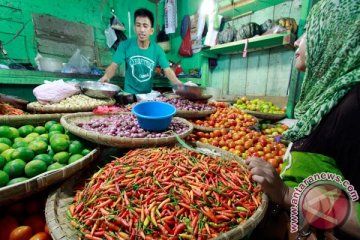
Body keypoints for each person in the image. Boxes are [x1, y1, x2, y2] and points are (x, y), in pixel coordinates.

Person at [246, 0, 360, 239]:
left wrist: (288, 194)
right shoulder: (330, 96)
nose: (297, 41)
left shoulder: (354, 105)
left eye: (309, 31)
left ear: (336, 34)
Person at [99, 8, 182, 94]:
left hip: (147, 96)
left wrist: (178, 83)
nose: (142, 30)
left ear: (151, 31)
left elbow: (167, 70)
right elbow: (114, 65)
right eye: (138, 25)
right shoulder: (125, 45)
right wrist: (106, 76)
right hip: (129, 95)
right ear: (134, 28)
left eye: (145, 26)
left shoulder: (158, 50)